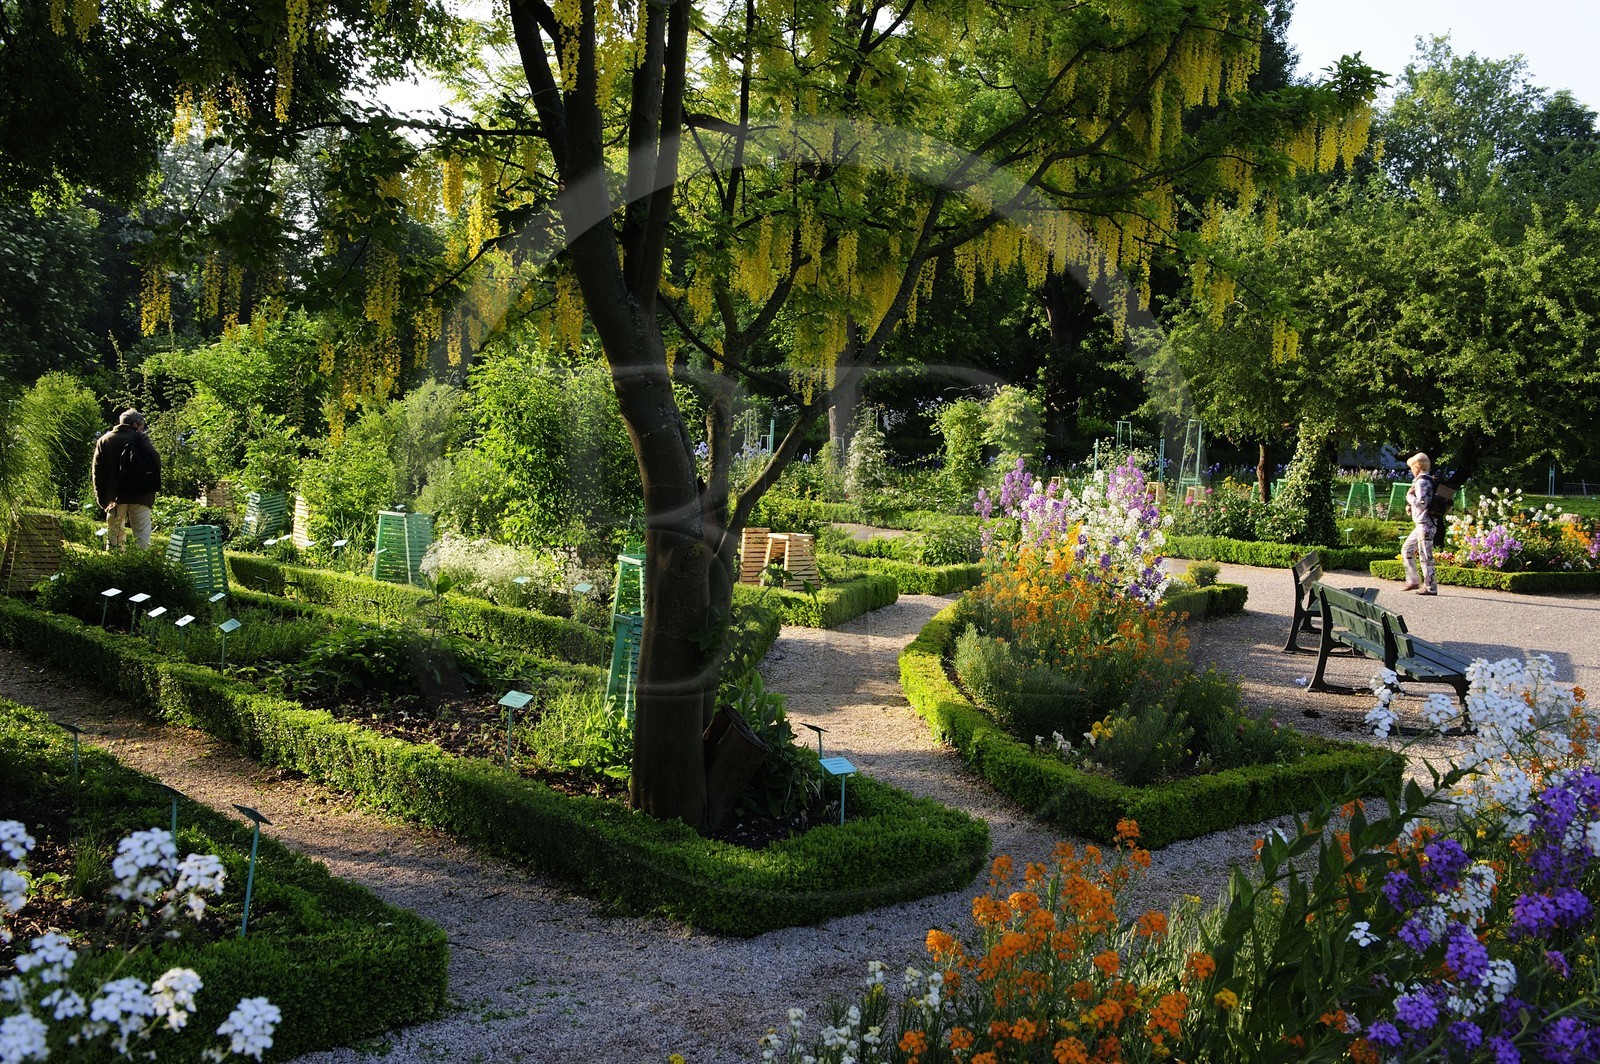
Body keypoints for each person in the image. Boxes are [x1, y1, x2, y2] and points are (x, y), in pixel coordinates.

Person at [91, 409, 162, 549]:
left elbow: (97, 473)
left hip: (115, 497)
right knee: (142, 535)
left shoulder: (104, 440)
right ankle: (143, 566)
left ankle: (115, 566)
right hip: (141, 495)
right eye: (142, 427)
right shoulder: (141, 439)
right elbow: (156, 461)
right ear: (135, 424)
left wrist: (102, 498)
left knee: (115, 535)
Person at [1400, 451, 1437, 595]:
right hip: (1422, 523)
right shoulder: (1427, 480)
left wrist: (1409, 497)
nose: (1411, 470)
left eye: (1412, 467)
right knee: (1407, 550)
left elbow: (1422, 503)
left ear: (1417, 466)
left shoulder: (1422, 481)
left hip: (1425, 523)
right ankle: (1413, 580)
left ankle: (1430, 587)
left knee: (1425, 556)